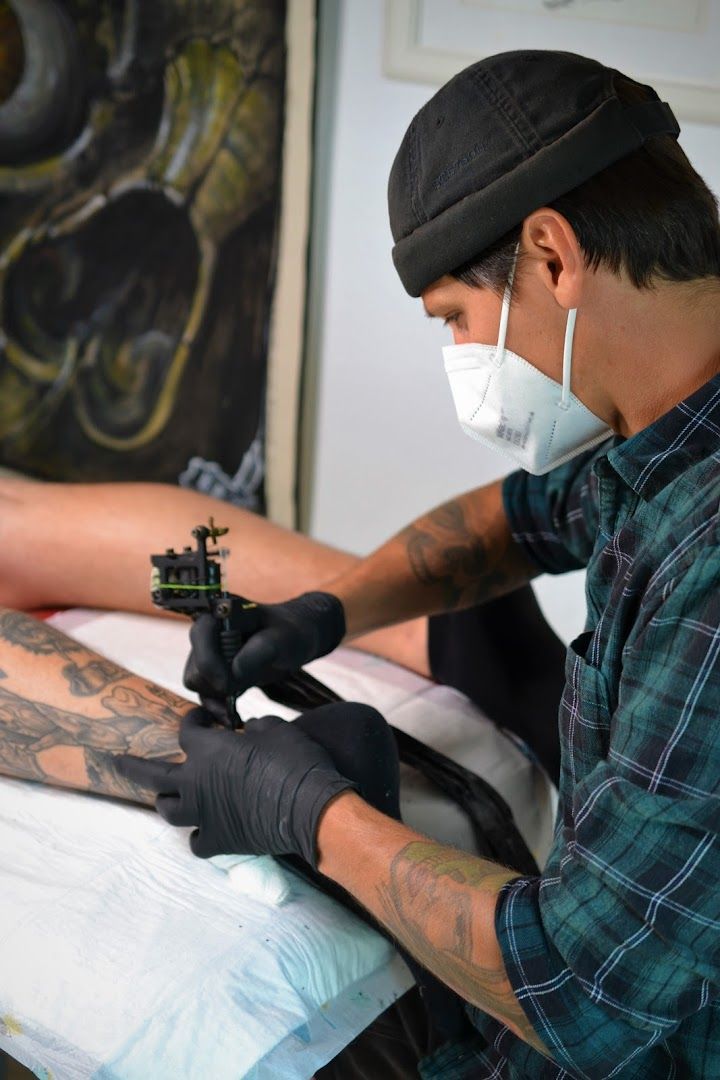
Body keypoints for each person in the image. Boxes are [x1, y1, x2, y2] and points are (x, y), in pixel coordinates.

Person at [116, 50, 720, 1078]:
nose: (460, 359)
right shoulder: (660, 438)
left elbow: (585, 997)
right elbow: (520, 523)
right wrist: (323, 611)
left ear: (554, 256)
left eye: (455, 320)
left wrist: (313, 818)